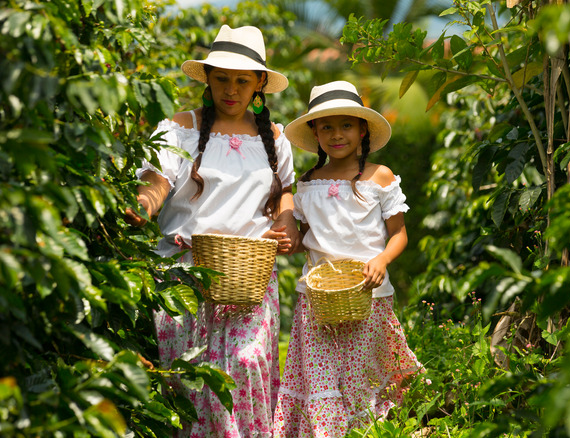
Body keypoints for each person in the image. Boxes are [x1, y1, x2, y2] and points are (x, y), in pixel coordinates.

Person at [124, 25, 298, 438]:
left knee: (245, 362)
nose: (231, 89)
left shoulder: (275, 137)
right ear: (208, 78)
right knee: (191, 378)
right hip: (183, 277)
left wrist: (286, 222)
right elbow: (157, 180)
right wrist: (142, 205)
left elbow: (286, 191)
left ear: (260, 84)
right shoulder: (179, 128)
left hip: (250, 280)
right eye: (221, 78)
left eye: (242, 80)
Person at [273, 81, 422, 437]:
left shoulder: (379, 177)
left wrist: (382, 260)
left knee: (358, 384)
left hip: (368, 299)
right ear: (315, 132)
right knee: (322, 382)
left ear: (361, 130)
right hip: (318, 302)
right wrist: (283, 239)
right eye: (326, 126)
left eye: (345, 125)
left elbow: (399, 234)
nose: (336, 134)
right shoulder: (307, 184)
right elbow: (305, 240)